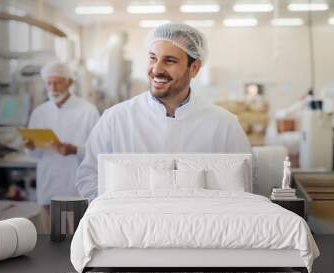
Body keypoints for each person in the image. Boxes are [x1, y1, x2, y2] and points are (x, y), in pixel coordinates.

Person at [76, 23, 251, 201]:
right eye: (153, 58)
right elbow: (88, 176)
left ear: (194, 68)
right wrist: (120, 214)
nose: (157, 69)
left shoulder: (224, 125)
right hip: (132, 226)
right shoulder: (115, 119)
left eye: (169, 61)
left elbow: (245, 182)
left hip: (201, 226)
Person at [25, 61, 99, 209]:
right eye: (49, 83)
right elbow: (33, 155)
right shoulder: (39, 112)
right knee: (50, 231)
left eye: (57, 83)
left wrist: (75, 150)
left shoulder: (88, 111)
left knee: (76, 231)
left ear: (69, 82)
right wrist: (30, 146)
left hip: (77, 190)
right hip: (48, 186)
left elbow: (98, 152)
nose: (53, 88)